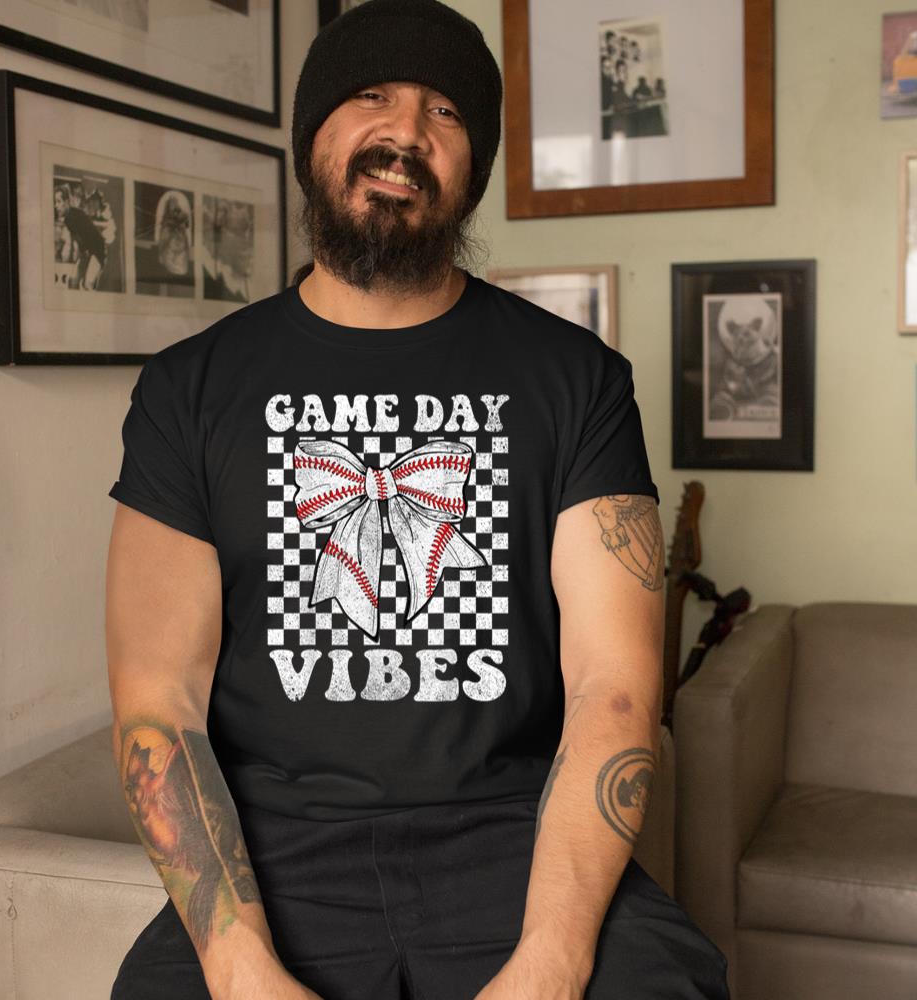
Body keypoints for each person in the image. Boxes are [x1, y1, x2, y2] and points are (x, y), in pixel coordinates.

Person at [105, 2, 731, 998]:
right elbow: (157, 701)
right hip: (275, 853)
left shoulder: (579, 380)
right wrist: (237, 966)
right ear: (312, 137)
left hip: (516, 840)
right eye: (371, 97)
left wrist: (552, 960)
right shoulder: (189, 389)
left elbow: (614, 686)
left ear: (472, 168)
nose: (405, 132)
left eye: (445, 111)